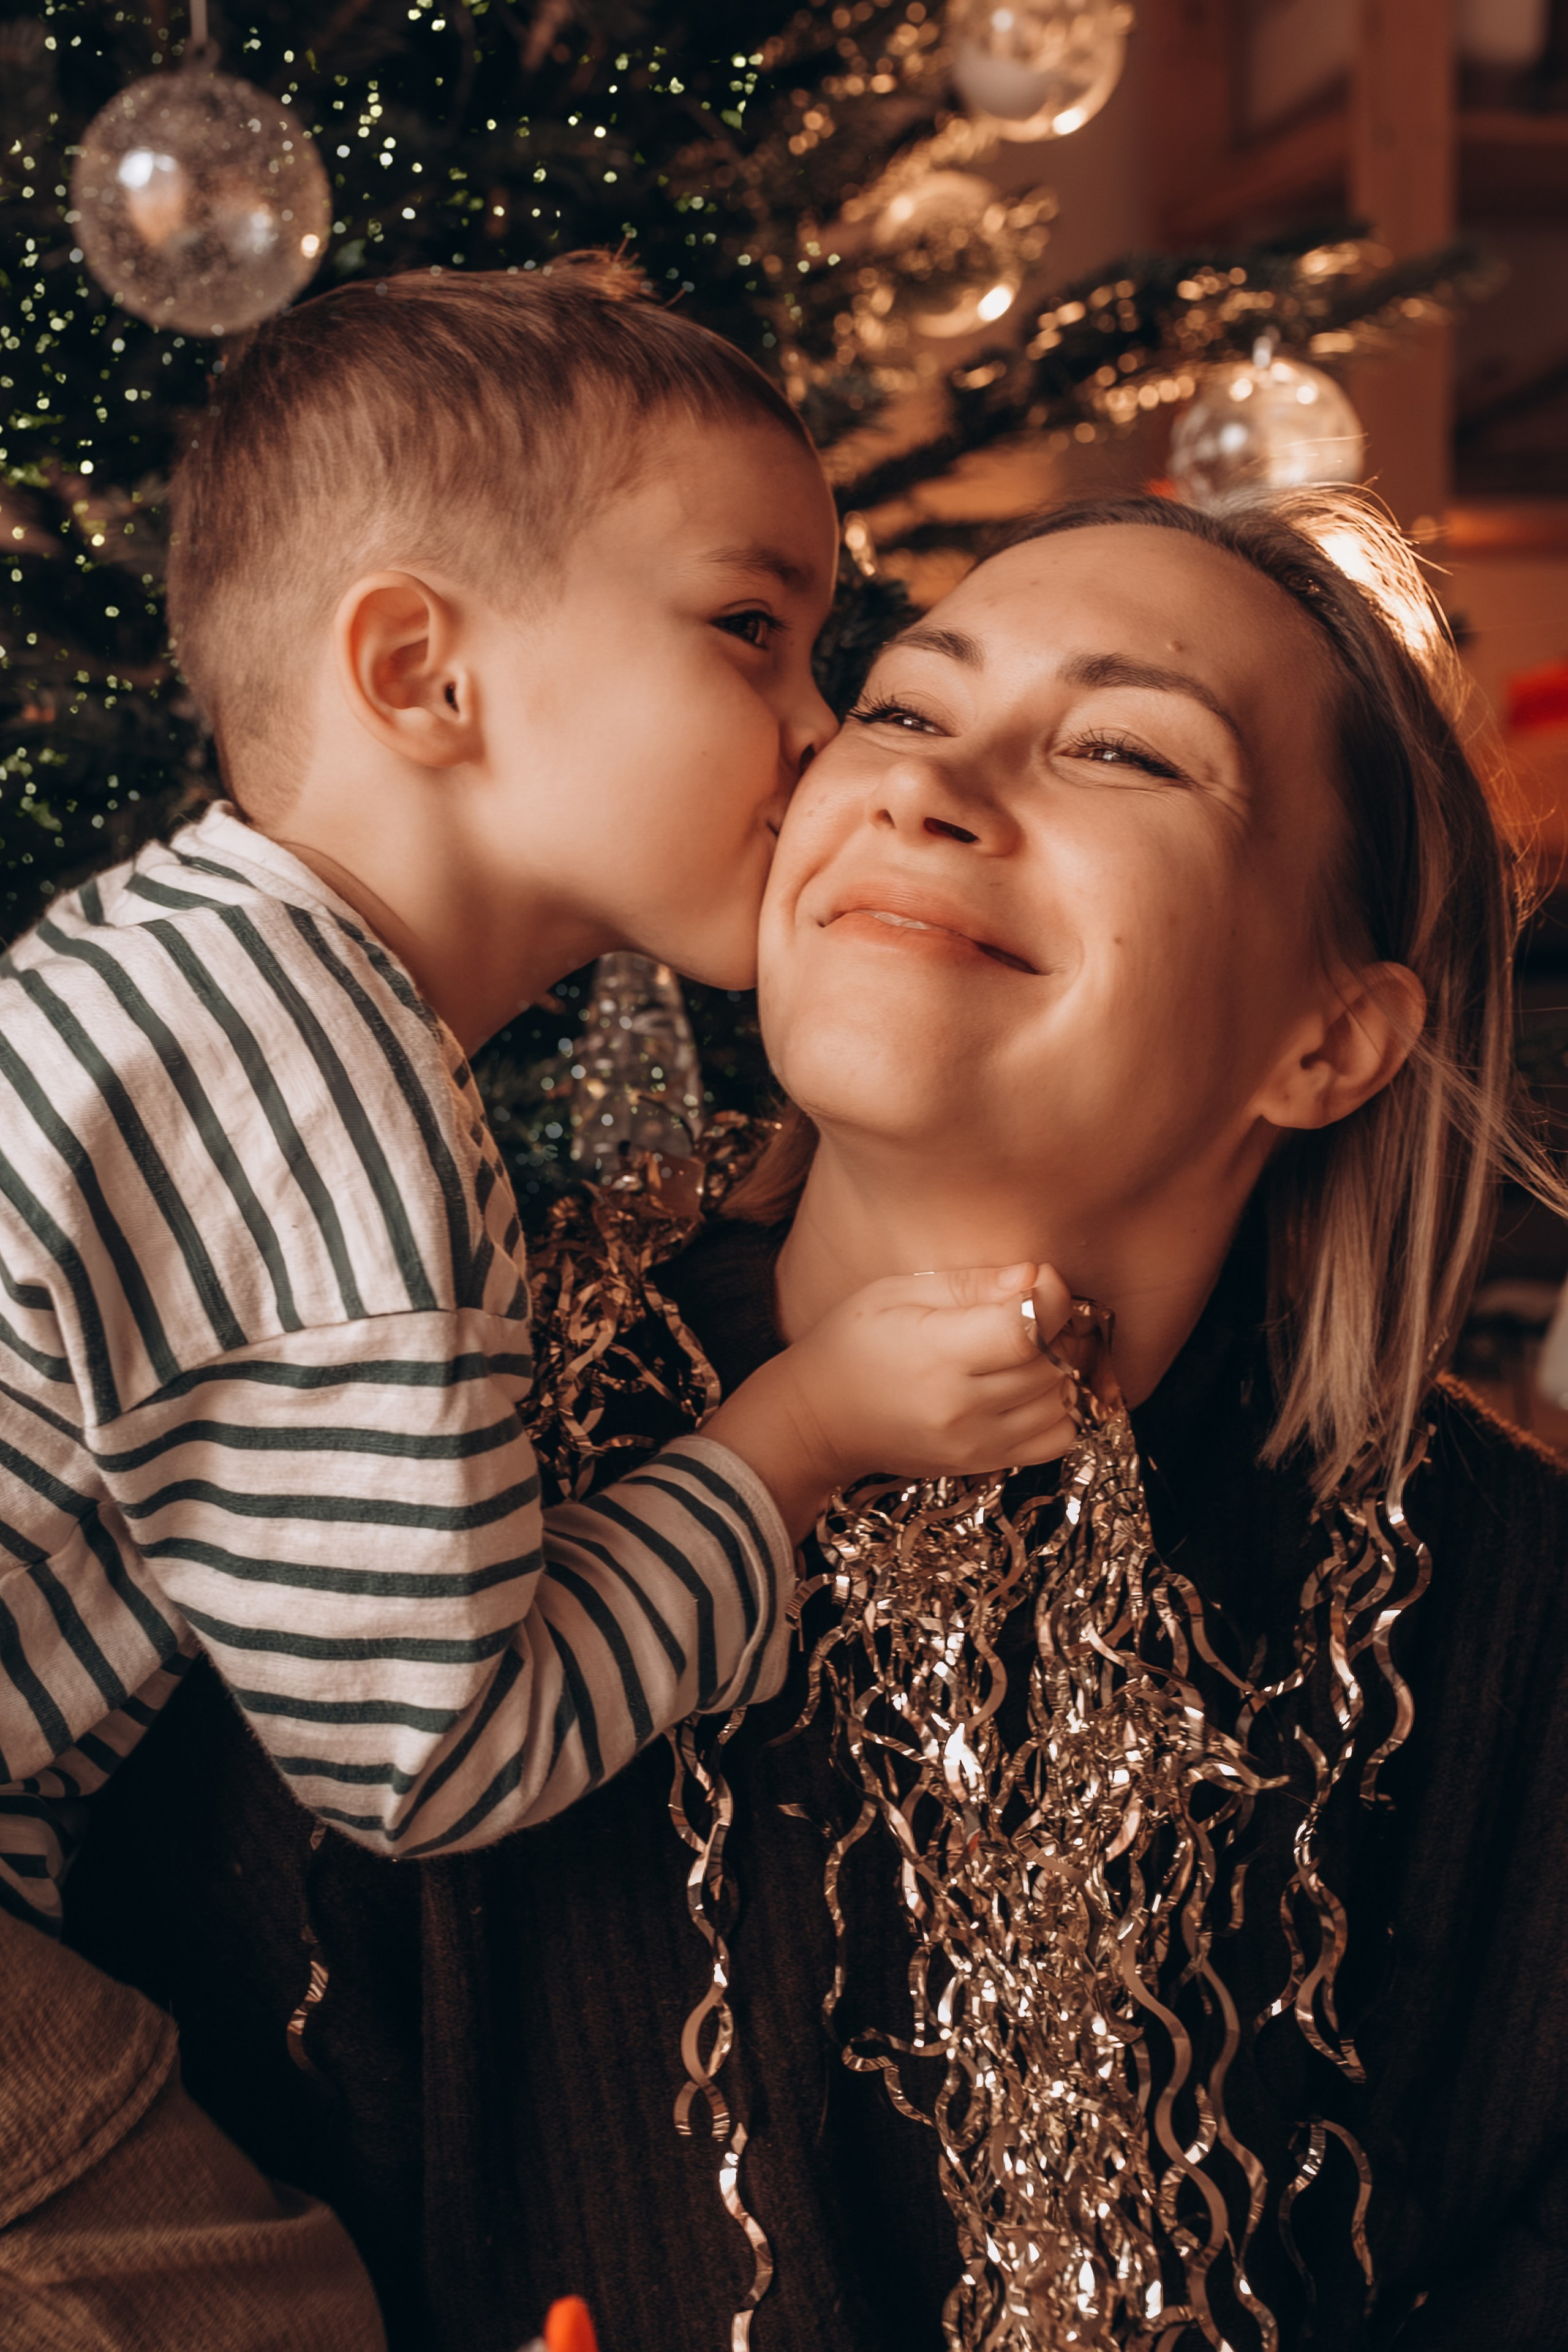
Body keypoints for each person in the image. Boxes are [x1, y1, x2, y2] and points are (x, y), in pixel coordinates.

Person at [66, 490, 1568, 2352]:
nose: (930, 790)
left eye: (1123, 748)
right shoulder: (409, 1421)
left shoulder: (1493, 1606)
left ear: (1328, 1040)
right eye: (905, 707)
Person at [0, 257, 1082, 1940]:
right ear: (425, 673)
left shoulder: (174, 958)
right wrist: (806, 1432)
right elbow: (436, 1752)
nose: (822, 732)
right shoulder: (314, 1115)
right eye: (750, 632)